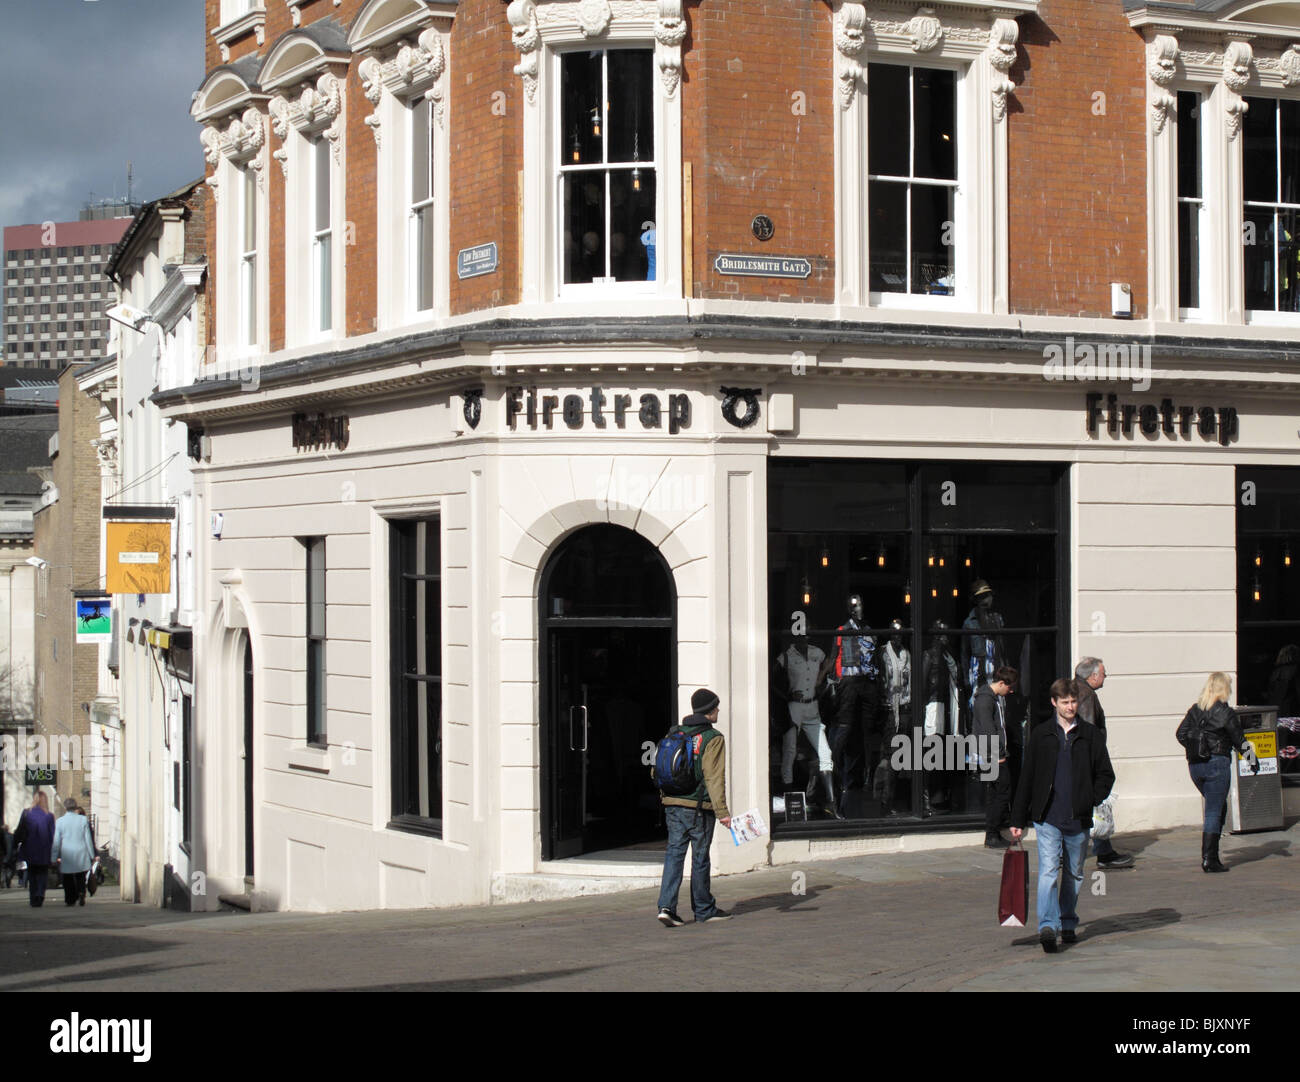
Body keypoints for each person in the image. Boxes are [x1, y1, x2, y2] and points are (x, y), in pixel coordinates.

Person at [1010, 678, 1115, 954]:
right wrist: (1017, 819)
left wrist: (1090, 798)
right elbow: (1027, 778)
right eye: (1065, 702)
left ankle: (1067, 921)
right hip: (1047, 817)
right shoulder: (1042, 735)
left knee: (1074, 874)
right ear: (1054, 703)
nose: (1070, 707)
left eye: (1073, 701)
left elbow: (1106, 774)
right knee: (1047, 872)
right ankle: (1047, 925)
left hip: (1078, 818)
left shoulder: (1091, 736)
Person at [656, 688, 732, 927]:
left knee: (674, 854)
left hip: (672, 803)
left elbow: (657, 767)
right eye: (716, 707)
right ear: (709, 711)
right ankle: (704, 909)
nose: (718, 710)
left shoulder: (675, 732)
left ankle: (666, 907)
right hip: (699, 807)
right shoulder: (713, 738)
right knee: (700, 857)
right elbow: (714, 777)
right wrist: (723, 812)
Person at [1176, 672, 1258, 873]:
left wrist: (1195, 747)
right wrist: (1253, 761)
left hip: (1195, 766)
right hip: (1217, 763)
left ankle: (1211, 855)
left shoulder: (1195, 710)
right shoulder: (1226, 712)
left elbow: (1180, 734)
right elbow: (1239, 740)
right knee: (1214, 809)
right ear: (1224, 689)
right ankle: (1209, 859)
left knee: (1217, 807)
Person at [1074, 658, 1134, 869]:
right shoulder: (1087, 695)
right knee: (1096, 803)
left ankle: (1104, 851)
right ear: (1093, 676)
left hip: (1080, 760)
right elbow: (1089, 730)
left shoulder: (1074, 690)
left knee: (1093, 806)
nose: (1105, 677)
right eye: (1103, 673)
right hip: (1089, 760)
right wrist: (1094, 761)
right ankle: (1103, 853)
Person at [972, 666, 1018, 849]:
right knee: (1002, 792)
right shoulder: (985, 700)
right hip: (992, 755)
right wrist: (997, 754)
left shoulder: (989, 699)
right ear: (1001, 683)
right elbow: (988, 729)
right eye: (1009, 687)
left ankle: (993, 833)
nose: (1011, 691)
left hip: (990, 753)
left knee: (995, 793)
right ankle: (992, 833)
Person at [51, 798, 96, 906]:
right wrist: (92, 854)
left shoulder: (60, 822)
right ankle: (81, 892)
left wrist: (53, 858)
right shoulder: (83, 820)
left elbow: (56, 842)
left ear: (65, 807)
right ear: (75, 806)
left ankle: (70, 898)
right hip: (81, 851)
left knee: (67, 877)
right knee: (80, 875)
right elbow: (88, 839)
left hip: (67, 853)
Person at [14, 791, 55, 907]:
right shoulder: (49, 815)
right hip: (44, 849)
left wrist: (15, 845)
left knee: (32, 873)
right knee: (43, 873)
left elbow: (20, 830)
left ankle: (33, 897)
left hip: (30, 848)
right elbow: (52, 835)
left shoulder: (26, 813)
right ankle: (40, 893)